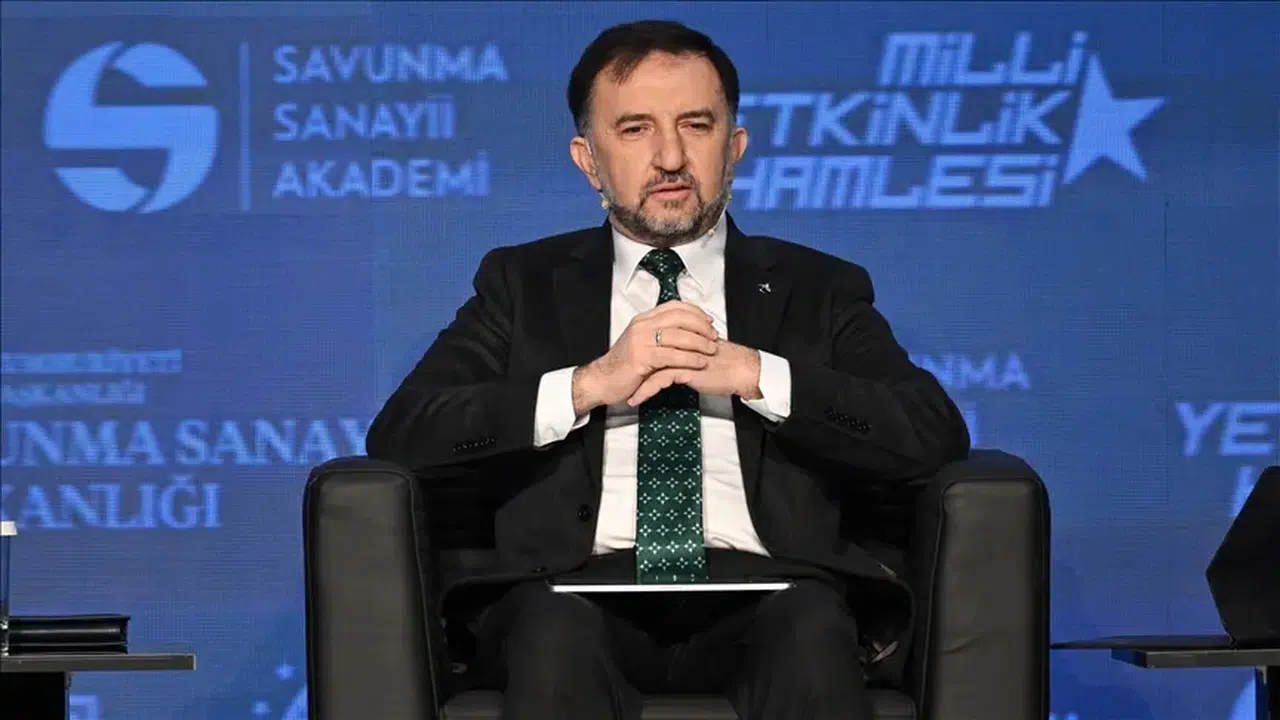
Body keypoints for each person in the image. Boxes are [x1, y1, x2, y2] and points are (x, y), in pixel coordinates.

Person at [366, 19, 970, 720]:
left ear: (734, 147)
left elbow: (931, 433)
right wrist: (590, 384)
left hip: (773, 591)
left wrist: (757, 375)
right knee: (553, 634)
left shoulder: (817, 288)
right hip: (569, 593)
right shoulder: (522, 284)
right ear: (588, 160)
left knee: (810, 626)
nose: (671, 157)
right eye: (635, 130)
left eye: (696, 125)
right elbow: (404, 433)